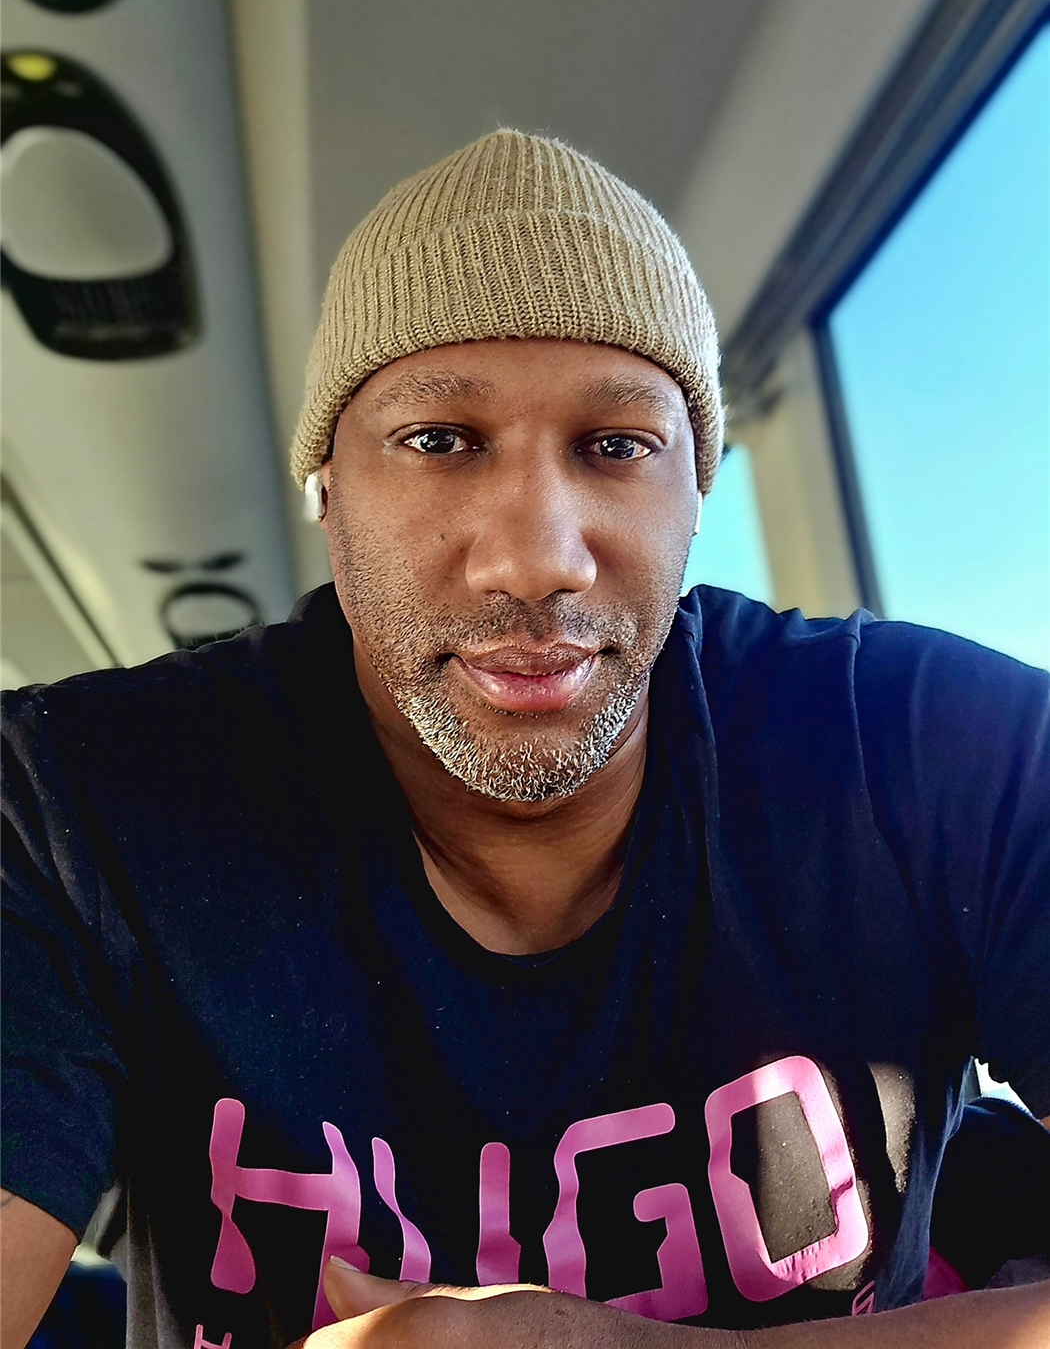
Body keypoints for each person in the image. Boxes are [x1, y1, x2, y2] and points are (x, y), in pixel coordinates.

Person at [2, 130, 1048, 1349]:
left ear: (696, 490)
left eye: (618, 446)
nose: (537, 558)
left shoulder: (940, 752)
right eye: (440, 441)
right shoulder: (72, 809)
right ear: (327, 484)